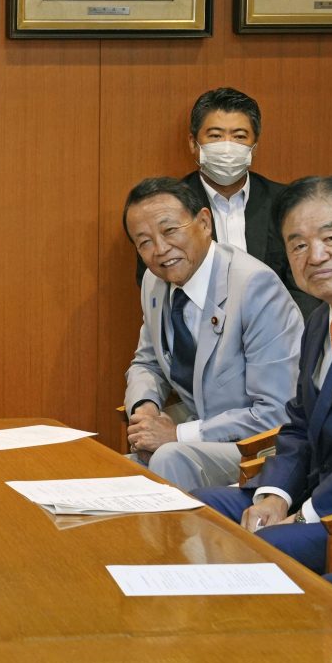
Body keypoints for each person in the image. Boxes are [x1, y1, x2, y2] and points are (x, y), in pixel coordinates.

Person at [193, 176, 332, 575]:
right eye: (298, 244)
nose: (315, 256)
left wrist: (306, 514)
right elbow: (299, 426)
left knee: (258, 552)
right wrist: (273, 495)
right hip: (312, 489)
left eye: (331, 238)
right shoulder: (319, 321)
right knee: (196, 510)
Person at [123, 177, 302, 490]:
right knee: (116, 470)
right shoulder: (155, 283)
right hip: (197, 431)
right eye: (144, 242)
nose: (161, 250)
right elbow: (147, 361)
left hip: (259, 446)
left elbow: (276, 411)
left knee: (169, 457)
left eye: (169, 231)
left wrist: (177, 434)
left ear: (204, 223)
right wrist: (145, 409)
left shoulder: (254, 287)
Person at [133, 87, 317, 316]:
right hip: (196, 339)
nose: (227, 146)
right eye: (215, 136)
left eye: (239, 136)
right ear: (193, 143)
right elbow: (157, 283)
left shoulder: (286, 202)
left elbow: (307, 281)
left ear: (254, 146)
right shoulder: (165, 206)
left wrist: (276, 333)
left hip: (278, 338)